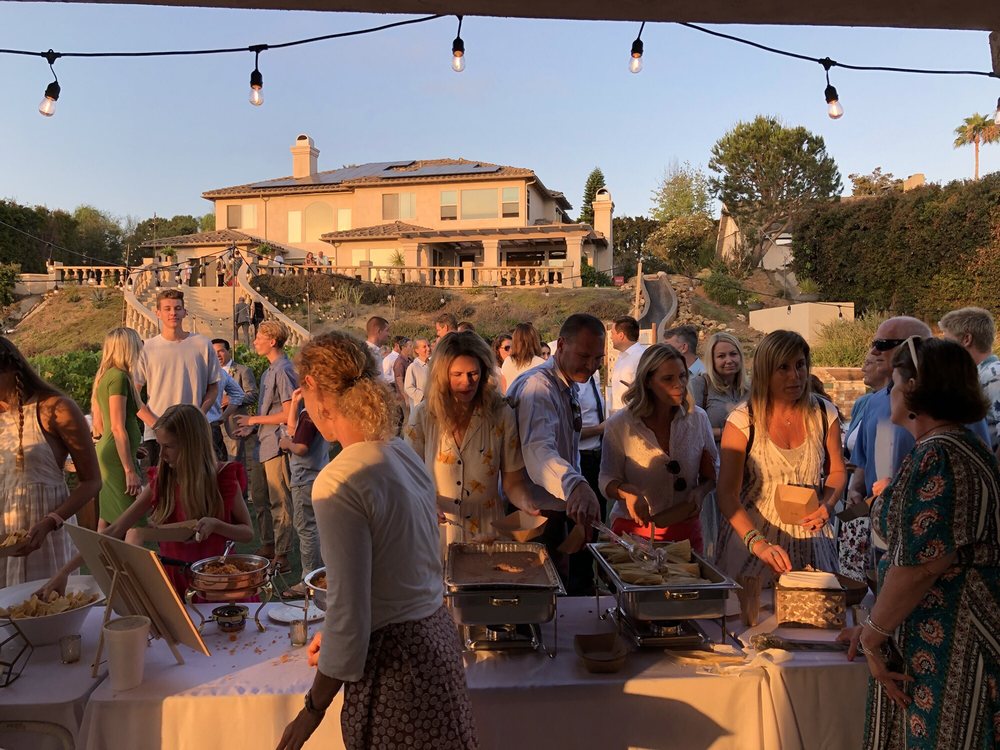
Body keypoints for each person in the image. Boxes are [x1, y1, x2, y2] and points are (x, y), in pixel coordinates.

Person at [276, 331, 477, 750]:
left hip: (396, 670)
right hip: (437, 645)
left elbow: (349, 613)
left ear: (314, 388)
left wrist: (311, 710)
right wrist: (337, 638)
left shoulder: (339, 480)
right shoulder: (399, 452)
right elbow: (394, 580)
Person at [838, 337, 1000, 750]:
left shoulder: (939, 456)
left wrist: (873, 635)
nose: (888, 392)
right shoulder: (956, 448)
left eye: (893, 383)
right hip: (935, 636)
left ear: (913, 390)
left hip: (950, 643)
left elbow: (921, 564)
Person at [44, 404, 254, 599]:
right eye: (160, 446)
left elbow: (247, 533)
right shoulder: (163, 482)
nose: (162, 455)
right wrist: (64, 572)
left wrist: (216, 525)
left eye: (169, 446)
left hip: (217, 583)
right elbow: (114, 530)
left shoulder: (222, 478)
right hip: (173, 584)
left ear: (192, 446)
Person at [716, 330, 847, 580]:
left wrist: (827, 505)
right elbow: (726, 494)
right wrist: (757, 543)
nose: (795, 376)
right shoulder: (743, 421)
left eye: (800, 365)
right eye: (783, 368)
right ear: (765, 372)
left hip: (812, 543)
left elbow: (837, 471)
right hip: (754, 548)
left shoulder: (824, 413)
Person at [405, 332, 543, 556]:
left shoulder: (501, 414)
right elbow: (408, 477)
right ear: (441, 375)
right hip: (437, 534)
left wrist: (526, 503)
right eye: (457, 374)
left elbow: (513, 482)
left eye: (473, 373)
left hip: (488, 533)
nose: (466, 382)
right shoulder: (423, 416)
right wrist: (425, 500)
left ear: (484, 371)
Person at [507, 314, 605, 594]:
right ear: (561, 345)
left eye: (598, 359)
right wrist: (575, 485)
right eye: (584, 356)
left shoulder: (566, 384)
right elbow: (538, 450)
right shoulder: (539, 387)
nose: (591, 366)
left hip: (557, 510)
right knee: (539, 598)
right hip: (534, 516)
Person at [0, 337, 101, 586]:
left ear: (10, 369)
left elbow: (92, 481)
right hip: (4, 535)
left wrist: (51, 521)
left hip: (46, 536)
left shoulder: (55, 409)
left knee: (44, 605)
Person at [600, 344, 718, 552]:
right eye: (668, 379)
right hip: (633, 534)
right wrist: (628, 492)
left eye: (682, 376)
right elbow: (606, 479)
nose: (679, 385)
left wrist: (700, 492)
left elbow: (711, 474)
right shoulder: (620, 425)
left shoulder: (698, 419)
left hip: (685, 532)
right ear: (648, 381)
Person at [235, 320, 297, 573]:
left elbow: (289, 413)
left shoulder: (284, 370)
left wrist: (253, 420)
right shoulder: (269, 371)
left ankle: (282, 555)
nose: (255, 341)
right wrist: (252, 428)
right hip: (263, 442)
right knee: (260, 498)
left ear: (272, 341)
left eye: (259, 337)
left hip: (277, 445)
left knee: (279, 500)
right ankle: (268, 545)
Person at [134, 289, 221, 466]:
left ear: (184, 312)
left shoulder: (202, 344)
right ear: (158, 313)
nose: (173, 313)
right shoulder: (147, 348)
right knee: (161, 480)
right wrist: (156, 424)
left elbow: (213, 387)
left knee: (196, 478)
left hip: (193, 430)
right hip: (158, 434)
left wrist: (200, 414)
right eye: (167, 309)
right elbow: (133, 395)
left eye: (177, 308)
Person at [688, 331, 751, 559]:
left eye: (733, 354)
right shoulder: (700, 384)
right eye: (721, 356)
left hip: (745, 473)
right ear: (712, 360)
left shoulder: (749, 390)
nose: (728, 360)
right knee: (711, 539)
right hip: (712, 473)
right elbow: (692, 427)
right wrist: (730, 432)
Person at [91, 328, 155, 527]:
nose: (140, 348)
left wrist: (132, 448)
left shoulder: (108, 376)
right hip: (116, 458)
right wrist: (129, 470)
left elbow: (102, 424)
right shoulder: (119, 377)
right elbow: (117, 427)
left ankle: (99, 549)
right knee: (134, 519)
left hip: (112, 452)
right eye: (137, 343)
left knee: (108, 515)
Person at [839, 352, 890, 582]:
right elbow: (863, 450)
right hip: (867, 501)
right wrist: (855, 487)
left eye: (869, 363)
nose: (862, 369)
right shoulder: (867, 402)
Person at [279, 389, 328, 599]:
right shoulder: (315, 411)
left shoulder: (309, 415)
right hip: (317, 475)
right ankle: (321, 575)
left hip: (304, 477)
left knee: (307, 530)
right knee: (317, 528)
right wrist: (295, 402)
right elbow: (292, 429)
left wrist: (286, 444)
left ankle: (309, 580)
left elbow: (300, 448)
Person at [939, 306, 1000, 454]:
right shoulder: (979, 376)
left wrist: (993, 466)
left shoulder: (994, 377)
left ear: (967, 339)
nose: (943, 348)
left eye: (947, 341)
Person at [609, 316, 647, 413]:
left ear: (621, 335)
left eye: (612, 333)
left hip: (633, 416)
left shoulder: (641, 356)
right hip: (619, 415)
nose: (611, 337)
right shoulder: (622, 356)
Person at [500, 322, 545, 394]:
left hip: (511, 400)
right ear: (535, 340)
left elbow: (503, 390)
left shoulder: (507, 362)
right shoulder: (541, 364)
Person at [403, 338, 430, 415]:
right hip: (420, 409)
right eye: (424, 347)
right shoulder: (413, 367)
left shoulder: (432, 364)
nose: (428, 349)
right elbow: (408, 387)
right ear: (417, 350)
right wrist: (423, 397)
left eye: (428, 345)